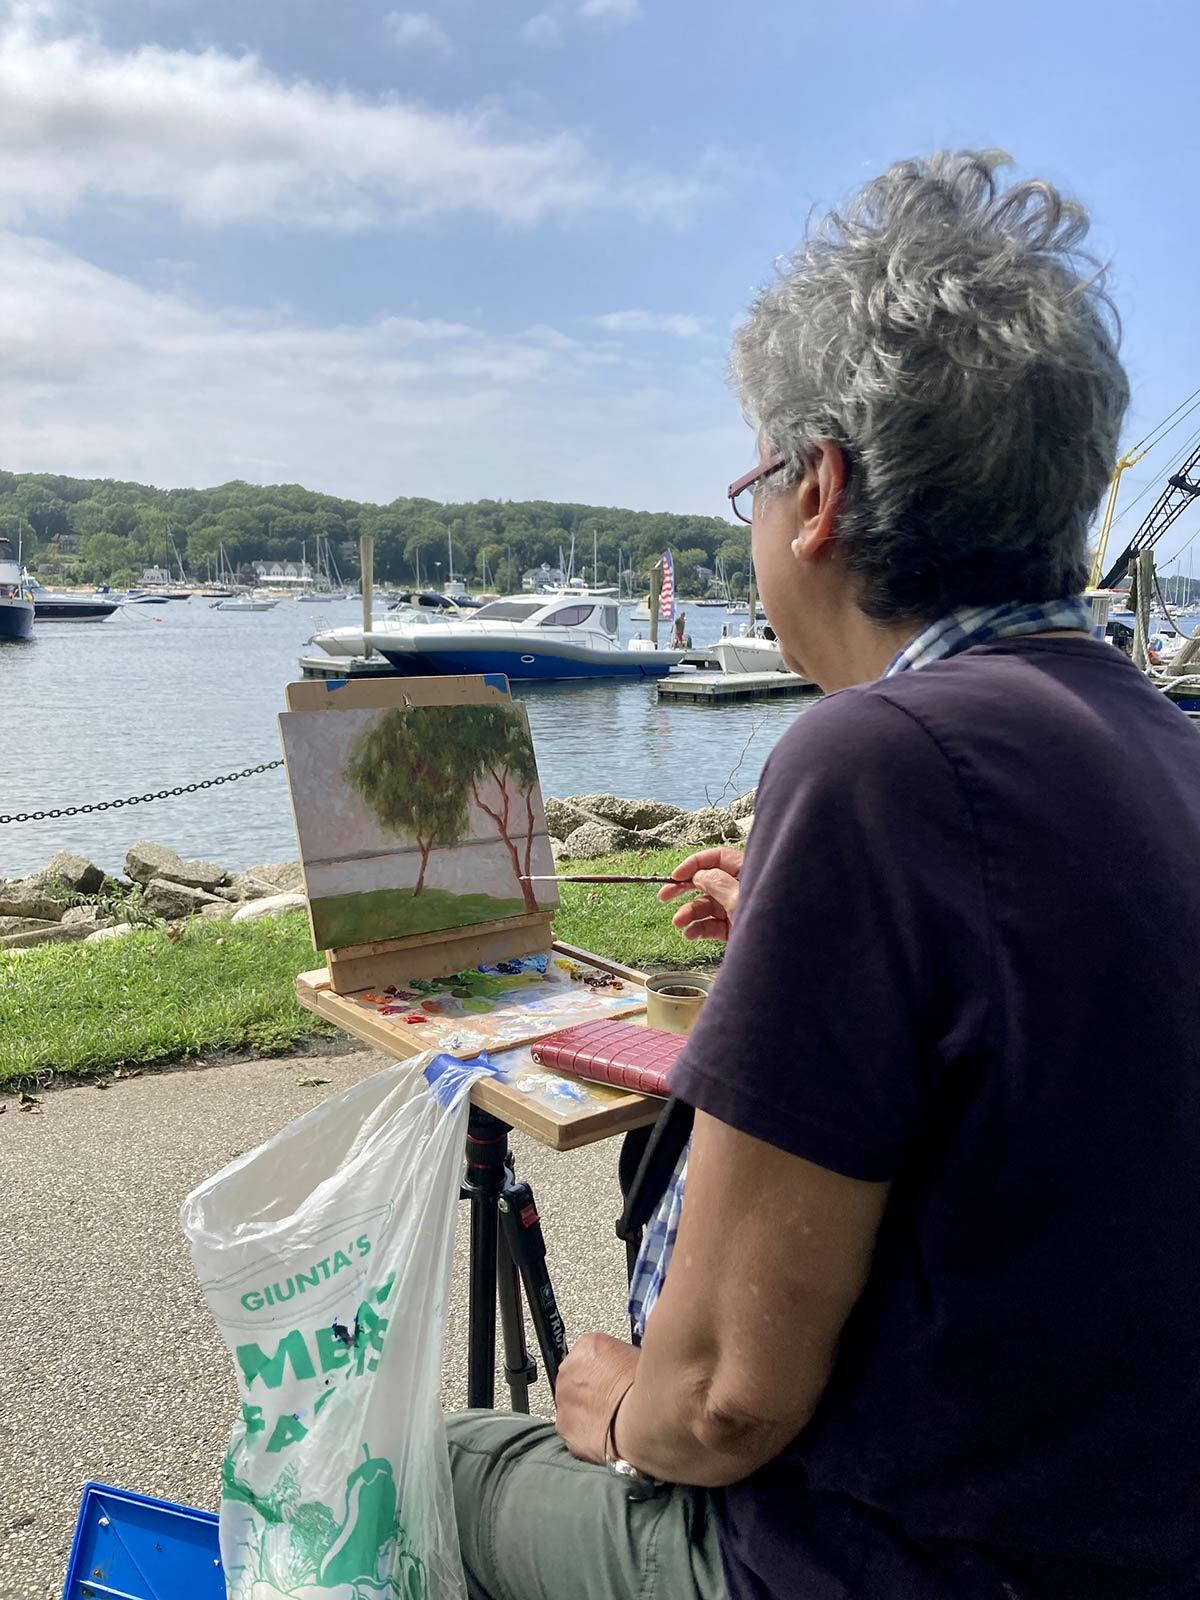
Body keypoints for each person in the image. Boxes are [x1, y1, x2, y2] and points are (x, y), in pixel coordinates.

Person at [444, 151, 1200, 1599]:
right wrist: (784, 940)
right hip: (1126, 1519)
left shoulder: (879, 761)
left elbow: (724, 1399)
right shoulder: (1156, 741)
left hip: (911, 1560)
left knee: (450, 1469)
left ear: (820, 495)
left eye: (753, 477)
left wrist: (613, 1413)